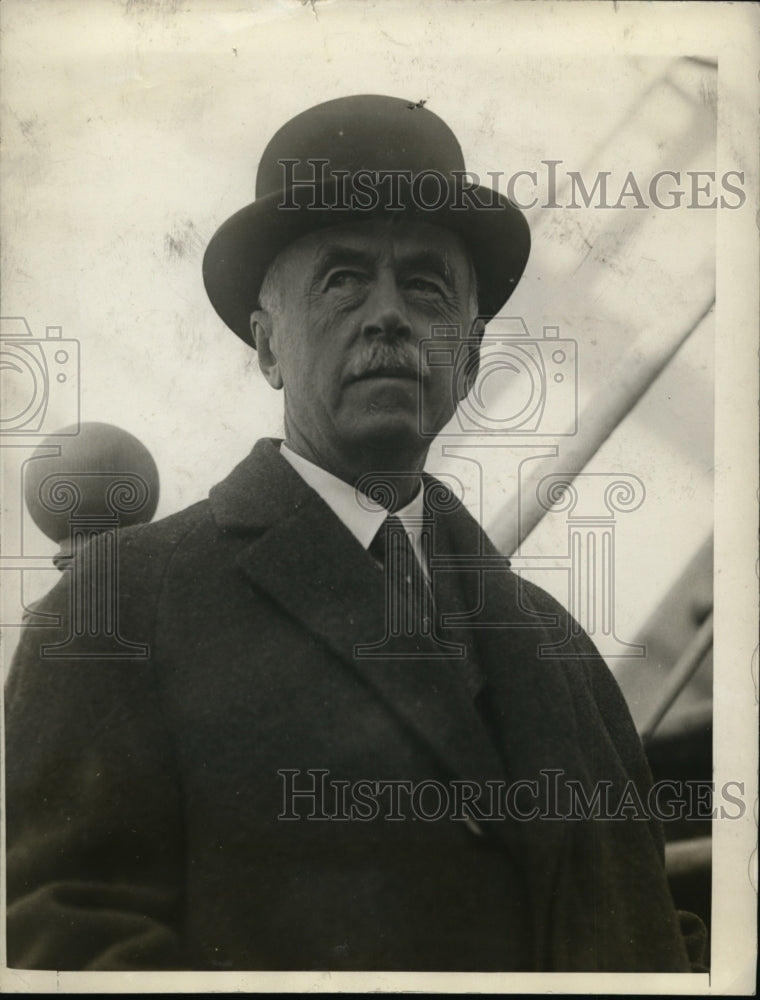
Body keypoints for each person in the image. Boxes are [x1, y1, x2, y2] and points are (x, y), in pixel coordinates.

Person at [5, 95, 705, 973]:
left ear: (470, 357)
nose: (387, 316)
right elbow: (67, 941)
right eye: (342, 279)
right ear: (267, 348)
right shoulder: (118, 613)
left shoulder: (564, 654)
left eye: (425, 285)